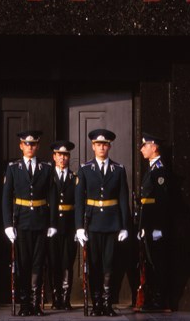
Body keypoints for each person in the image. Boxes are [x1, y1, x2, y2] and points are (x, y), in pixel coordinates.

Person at [2, 130, 58, 316]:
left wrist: (52, 223)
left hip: (40, 221)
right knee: (23, 263)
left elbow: (52, 196)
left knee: (38, 263)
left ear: (38, 146)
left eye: (33, 144)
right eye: (27, 144)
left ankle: (36, 304)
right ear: (21, 146)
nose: (30, 147)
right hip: (22, 221)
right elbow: (6, 197)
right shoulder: (13, 168)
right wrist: (8, 225)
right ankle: (25, 304)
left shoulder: (46, 168)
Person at [75, 129, 130, 317]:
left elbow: (123, 199)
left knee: (109, 264)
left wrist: (124, 226)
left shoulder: (119, 169)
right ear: (92, 146)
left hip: (112, 223)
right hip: (92, 224)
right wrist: (79, 228)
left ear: (109, 146)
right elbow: (79, 201)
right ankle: (96, 302)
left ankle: (107, 302)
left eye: (105, 144)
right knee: (94, 264)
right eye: (98, 144)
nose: (102, 147)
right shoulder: (84, 169)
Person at [136, 133, 171, 313]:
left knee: (157, 263)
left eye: (145, 145)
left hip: (155, 226)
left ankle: (159, 300)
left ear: (154, 147)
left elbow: (161, 201)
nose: (142, 149)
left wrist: (157, 227)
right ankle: (151, 299)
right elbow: (145, 203)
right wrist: (142, 226)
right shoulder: (151, 168)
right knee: (149, 262)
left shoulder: (159, 170)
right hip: (148, 224)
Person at [47, 141, 77, 310]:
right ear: (54, 157)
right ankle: (55, 298)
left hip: (69, 227)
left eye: (65, 155)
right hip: (52, 227)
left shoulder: (75, 178)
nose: (62, 158)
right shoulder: (48, 176)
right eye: (59, 155)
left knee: (67, 263)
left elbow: (78, 204)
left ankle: (66, 298)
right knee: (53, 263)